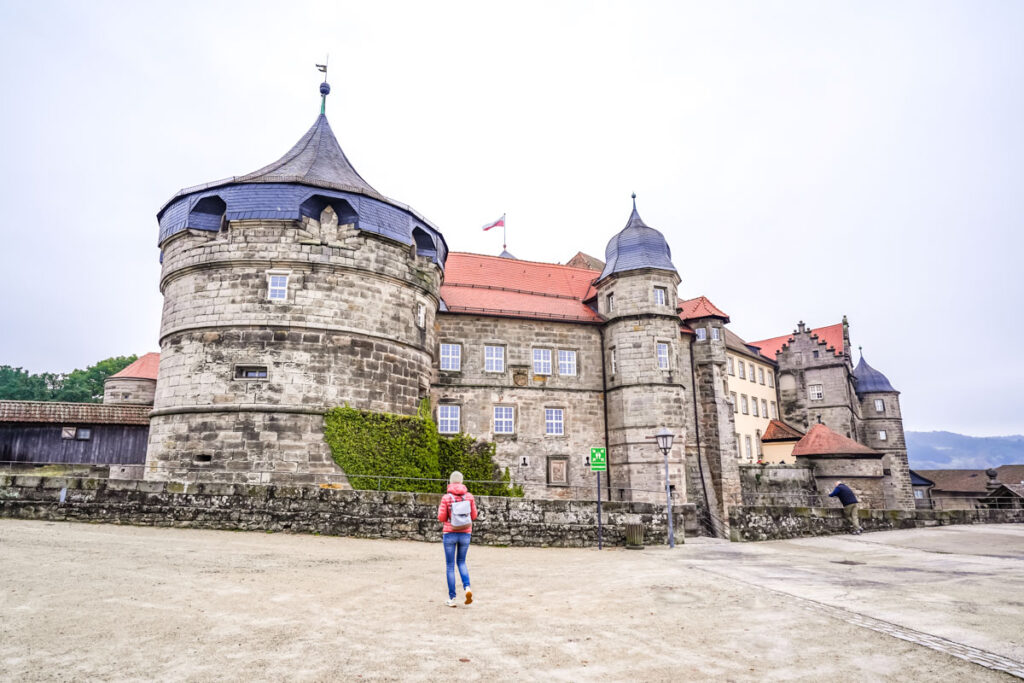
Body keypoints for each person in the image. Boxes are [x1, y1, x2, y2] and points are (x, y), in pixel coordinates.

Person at [437, 471, 478, 607]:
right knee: (462, 562)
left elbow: (441, 517)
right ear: (461, 481)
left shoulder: (446, 498)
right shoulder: (469, 497)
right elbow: (474, 516)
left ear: (450, 482)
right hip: (465, 533)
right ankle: (467, 588)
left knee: (450, 566)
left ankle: (452, 598)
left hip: (450, 533)